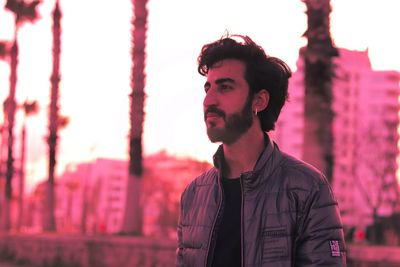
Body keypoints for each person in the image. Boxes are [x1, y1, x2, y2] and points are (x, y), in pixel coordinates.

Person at [176, 34, 346, 267]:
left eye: (225, 87)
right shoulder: (194, 195)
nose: (209, 100)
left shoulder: (307, 188)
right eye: (208, 88)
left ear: (259, 101)